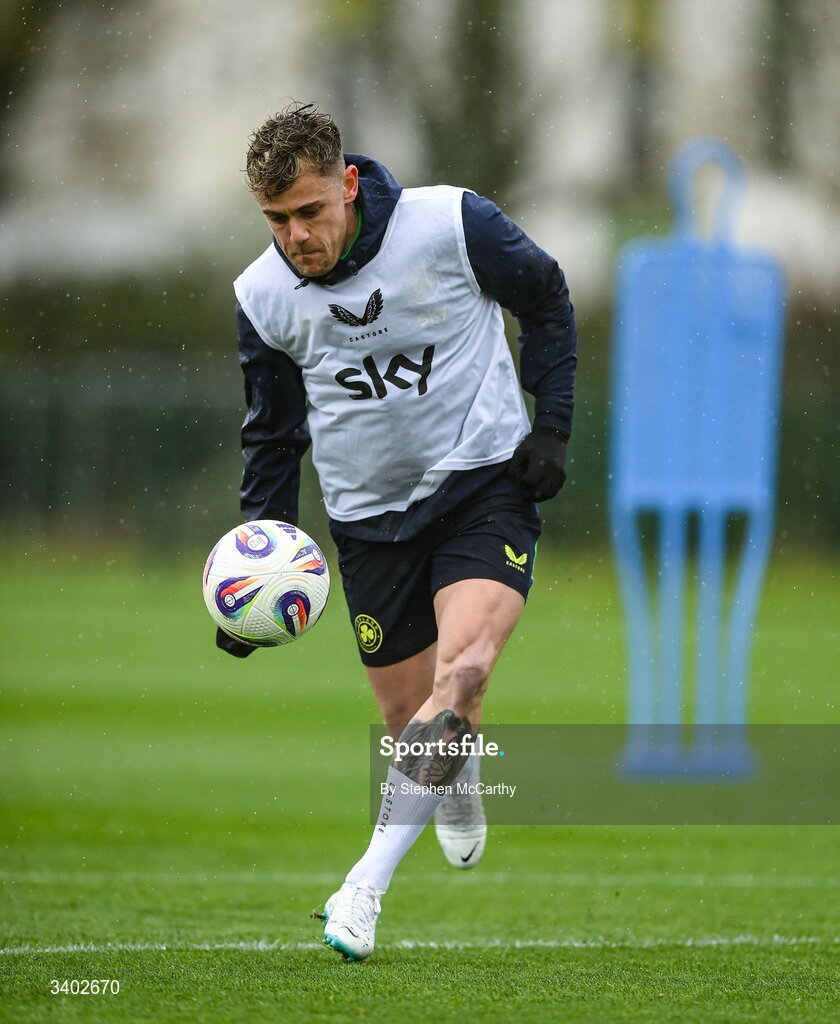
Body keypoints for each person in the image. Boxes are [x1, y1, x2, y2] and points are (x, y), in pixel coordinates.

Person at [219, 101, 577, 961]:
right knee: (407, 714)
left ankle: (363, 886)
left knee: (467, 668)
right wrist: (253, 572)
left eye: (310, 212)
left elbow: (549, 297)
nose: (297, 235)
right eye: (276, 220)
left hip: (481, 485)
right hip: (369, 520)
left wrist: (551, 424)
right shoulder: (261, 296)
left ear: (348, 184)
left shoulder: (452, 224)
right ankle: (452, 779)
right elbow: (273, 433)